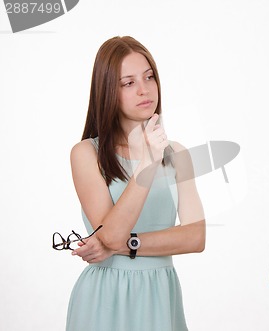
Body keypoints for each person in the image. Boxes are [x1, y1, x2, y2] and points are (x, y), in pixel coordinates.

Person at [66, 36, 206, 331]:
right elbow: (110, 234)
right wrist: (147, 162)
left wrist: (126, 245)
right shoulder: (86, 153)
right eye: (128, 83)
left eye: (149, 77)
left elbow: (195, 238)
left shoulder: (177, 153)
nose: (144, 90)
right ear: (107, 91)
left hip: (160, 295)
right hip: (104, 299)